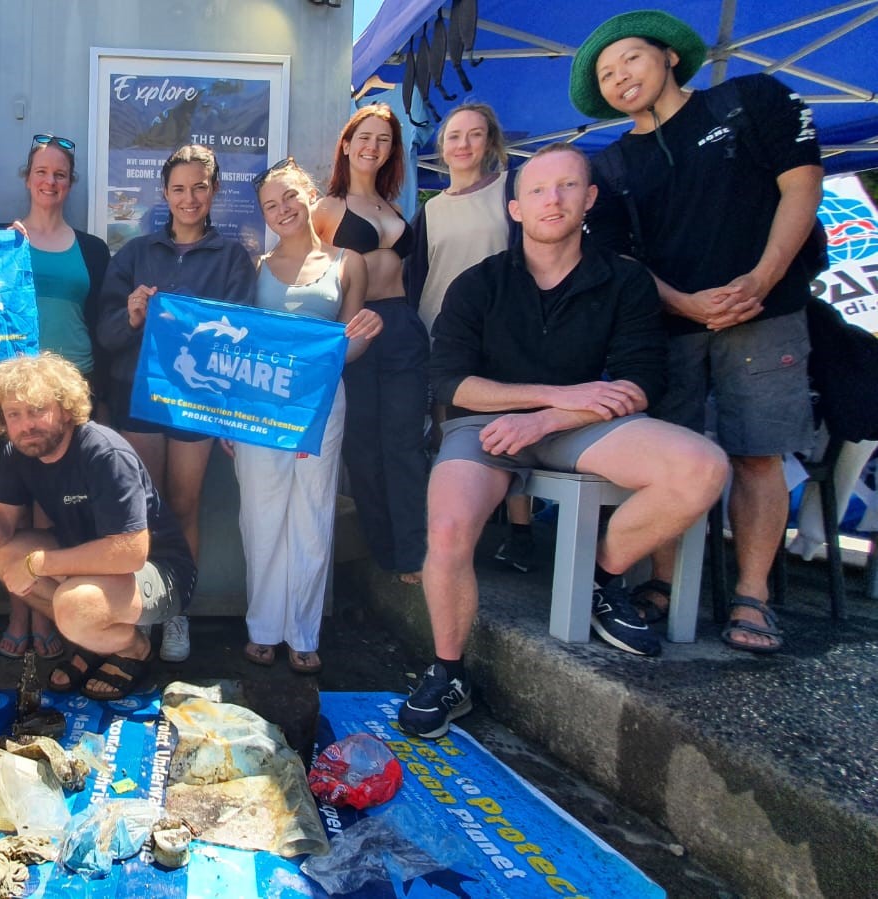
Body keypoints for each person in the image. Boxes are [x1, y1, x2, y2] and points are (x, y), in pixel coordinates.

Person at [398, 144, 728, 739]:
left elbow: (643, 378)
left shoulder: (624, 279)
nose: (553, 199)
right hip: (489, 425)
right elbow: (449, 381)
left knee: (702, 466)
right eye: (539, 190)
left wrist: (553, 414)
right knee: (447, 528)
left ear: (589, 200)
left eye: (568, 187)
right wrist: (550, 398)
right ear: (516, 208)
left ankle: (601, 577)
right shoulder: (479, 284)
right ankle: (449, 671)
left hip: (579, 423)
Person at [574, 11, 823, 654]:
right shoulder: (612, 166)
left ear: (669, 57)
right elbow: (621, 260)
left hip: (766, 312)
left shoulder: (752, 101)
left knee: (756, 453)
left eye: (629, 59)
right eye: (605, 73)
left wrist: (762, 281)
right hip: (669, 328)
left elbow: (801, 189)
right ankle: (663, 583)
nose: (620, 77)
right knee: (673, 458)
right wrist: (685, 303)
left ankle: (752, 596)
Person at [0, 354, 196, 701]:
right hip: (93, 568)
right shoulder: (18, 453)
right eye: (14, 415)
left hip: (159, 571)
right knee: (5, 557)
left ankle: (133, 647)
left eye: (37, 410)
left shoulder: (103, 451)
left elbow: (130, 552)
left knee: (74, 605)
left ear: (66, 409)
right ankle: (94, 639)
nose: (26, 425)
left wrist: (42, 564)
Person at [95, 143, 256, 663]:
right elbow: (105, 332)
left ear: (215, 192)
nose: (189, 199)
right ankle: (141, 607)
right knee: (143, 510)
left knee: (184, 506)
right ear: (163, 193)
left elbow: (244, 340)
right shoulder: (135, 253)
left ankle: (177, 609)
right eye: (179, 189)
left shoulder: (232, 258)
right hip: (138, 397)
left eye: (200, 188)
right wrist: (133, 317)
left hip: (197, 403)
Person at [227, 159, 381, 675]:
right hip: (259, 406)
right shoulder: (255, 267)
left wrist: (364, 333)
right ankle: (263, 629)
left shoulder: (349, 263)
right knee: (260, 515)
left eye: (290, 197)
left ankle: (303, 633)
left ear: (311, 195)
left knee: (313, 513)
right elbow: (238, 348)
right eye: (271, 205)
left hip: (321, 402)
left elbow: (349, 346)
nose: (282, 210)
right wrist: (229, 417)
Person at [404, 103, 536, 573]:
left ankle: (520, 533)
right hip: (440, 330)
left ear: (491, 142)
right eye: (454, 136)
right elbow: (417, 277)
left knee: (508, 423)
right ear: (441, 148)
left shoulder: (511, 193)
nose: (463, 145)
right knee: (445, 428)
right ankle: (451, 531)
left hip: (501, 330)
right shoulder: (430, 209)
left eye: (473, 135)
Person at [0, 132, 111, 661]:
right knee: (12, 509)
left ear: (70, 184)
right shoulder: (2, 237)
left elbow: (100, 323)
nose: (50, 182)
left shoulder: (92, 249)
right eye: (41, 172)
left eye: (60, 174)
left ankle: (52, 616)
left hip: (74, 391)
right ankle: (20, 611)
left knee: (57, 511)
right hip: (15, 394)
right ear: (28, 177)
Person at [312, 104, 429, 586]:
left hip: (402, 325)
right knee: (361, 447)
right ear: (346, 143)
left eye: (383, 140)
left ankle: (413, 554)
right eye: (364, 136)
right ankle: (385, 550)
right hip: (356, 327)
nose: (372, 146)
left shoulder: (396, 208)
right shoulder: (326, 209)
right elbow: (313, 277)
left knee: (405, 443)